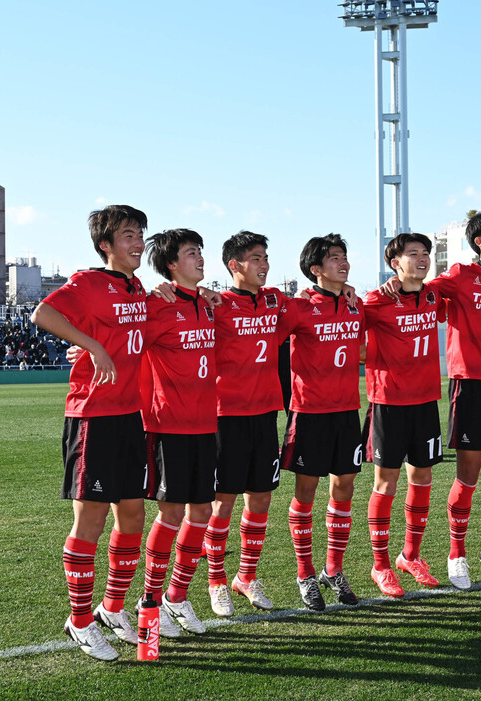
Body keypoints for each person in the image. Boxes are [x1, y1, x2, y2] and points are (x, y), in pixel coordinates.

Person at [384, 210, 481, 589]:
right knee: (469, 474)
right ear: (480, 241)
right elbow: (420, 287)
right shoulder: (460, 276)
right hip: (470, 384)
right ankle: (456, 554)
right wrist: (391, 284)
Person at [30, 205, 150, 660]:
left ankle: (112, 609)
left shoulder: (137, 287)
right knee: (92, 520)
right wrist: (93, 345)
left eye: (140, 233)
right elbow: (44, 313)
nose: (137, 241)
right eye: (127, 235)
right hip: (93, 415)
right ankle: (79, 621)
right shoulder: (88, 282)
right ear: (106, 245)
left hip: (129, 416)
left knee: (133, 515)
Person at [138, 229, 218, 637]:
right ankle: (149, 602)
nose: (200, 258)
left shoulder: (208, 303)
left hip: (207, 423)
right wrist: (86, 347)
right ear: (171, 264)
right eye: (191, 253)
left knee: (201, 512)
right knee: (171, 513)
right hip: (168, 424)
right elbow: (125, 337)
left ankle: (176, 595)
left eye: (200, 251)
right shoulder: (156, 304)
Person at [202, 232, 286, 617]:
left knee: (261, 499)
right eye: (255, 258)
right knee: (223, 504)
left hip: (266, 414)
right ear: (235, 266)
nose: (264, 264)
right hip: (226, 417)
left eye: (265, 257)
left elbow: (316, 300)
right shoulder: (215, 304)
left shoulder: (275, 301)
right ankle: (216, 580)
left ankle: (246, 577)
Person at [279, 234, 364, 610]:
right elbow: (269, 340)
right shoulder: (298, 307)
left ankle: (333, 570)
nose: (343, 263)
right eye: (334, 258)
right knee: (306, 492)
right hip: (309, 412)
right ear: (316, 269)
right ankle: (305, 573)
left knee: (344, 486)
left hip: (346, 411)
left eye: (344, 257)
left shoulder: (354, 303)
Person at [361, 233, 444, 597]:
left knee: (422, 479)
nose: (422, 259)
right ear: (395, 262)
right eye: (413, 254)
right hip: (389, 403)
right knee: (386, 483)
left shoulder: (434, 294)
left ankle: (410, 555)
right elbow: (346, 331)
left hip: (425, 402)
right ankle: (380, 565)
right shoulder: (376, 300)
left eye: (426, 253)